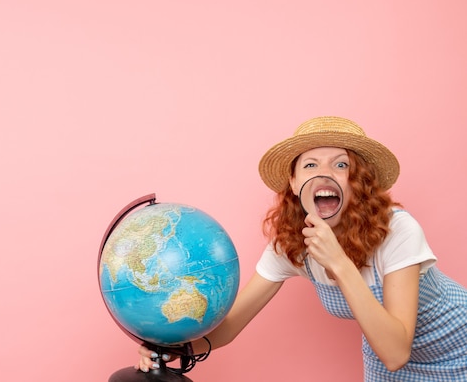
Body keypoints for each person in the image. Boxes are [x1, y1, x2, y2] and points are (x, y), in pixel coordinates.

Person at [137, 116, 467, 381]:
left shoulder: (397, 230)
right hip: (382, 354)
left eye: (341, 165)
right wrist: (169, 351)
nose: (325, 173)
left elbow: (397, 352)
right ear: (294, 184)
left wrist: (338, 262)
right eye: (310, 165)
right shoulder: (292, 244)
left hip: (457, 346)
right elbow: (229, 327)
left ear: (358, 184)